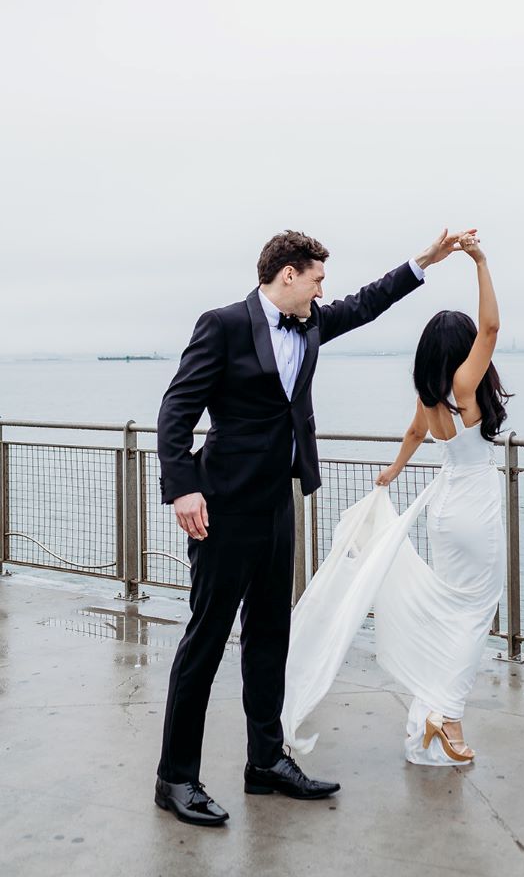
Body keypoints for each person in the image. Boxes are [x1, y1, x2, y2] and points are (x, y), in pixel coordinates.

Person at [154, 227, 466, 826]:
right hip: (221, 508)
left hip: (278, 503)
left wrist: (423, 261)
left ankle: (265, 763)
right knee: (206, 639)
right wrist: (184, 488)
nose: (326, 288)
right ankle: (175, 778)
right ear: (288, 274)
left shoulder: (313, 323)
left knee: (271, 636)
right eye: (318, 277)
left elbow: (369, 302)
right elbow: (176, 408)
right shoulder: (221, 325)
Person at [281, 233, 509, 765]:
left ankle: (432, 708)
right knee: (476, 611)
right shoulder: (466, 385)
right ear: (463, 348)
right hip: (474, 507)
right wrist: (480, 261)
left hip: (444, 510)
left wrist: (391, 472)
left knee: (454, 609)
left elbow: (413, 436)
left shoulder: (432, 392)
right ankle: (446, 714)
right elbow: (493, 328)